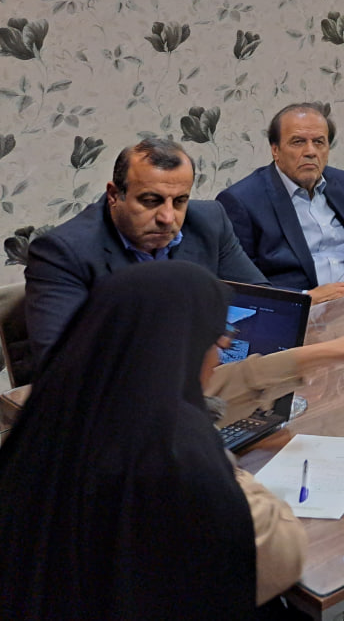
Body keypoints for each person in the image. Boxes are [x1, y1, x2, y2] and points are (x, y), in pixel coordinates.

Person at [0, 263, 297, 616]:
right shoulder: (173, 449)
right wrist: (229, 467)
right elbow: (280, 556)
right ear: (183, 348)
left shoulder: (61, 403)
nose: (218, 358)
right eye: (215, 342)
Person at [23, 137, 268, 374]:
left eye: (180, 201)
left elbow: (266, 302)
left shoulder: (210, 222)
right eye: (151, 201)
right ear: (114, 195)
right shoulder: (63, 252)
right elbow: (60, 364)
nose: (167, 218)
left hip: (204, 379)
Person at [217, 103, 344, 304]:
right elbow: (242, 286)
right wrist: (305, 299)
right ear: (275, 150)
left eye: (319, 142)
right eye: (298, 142)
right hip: (296, 314)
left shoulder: (343, 184)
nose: (310, 151)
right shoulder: (241, 201)